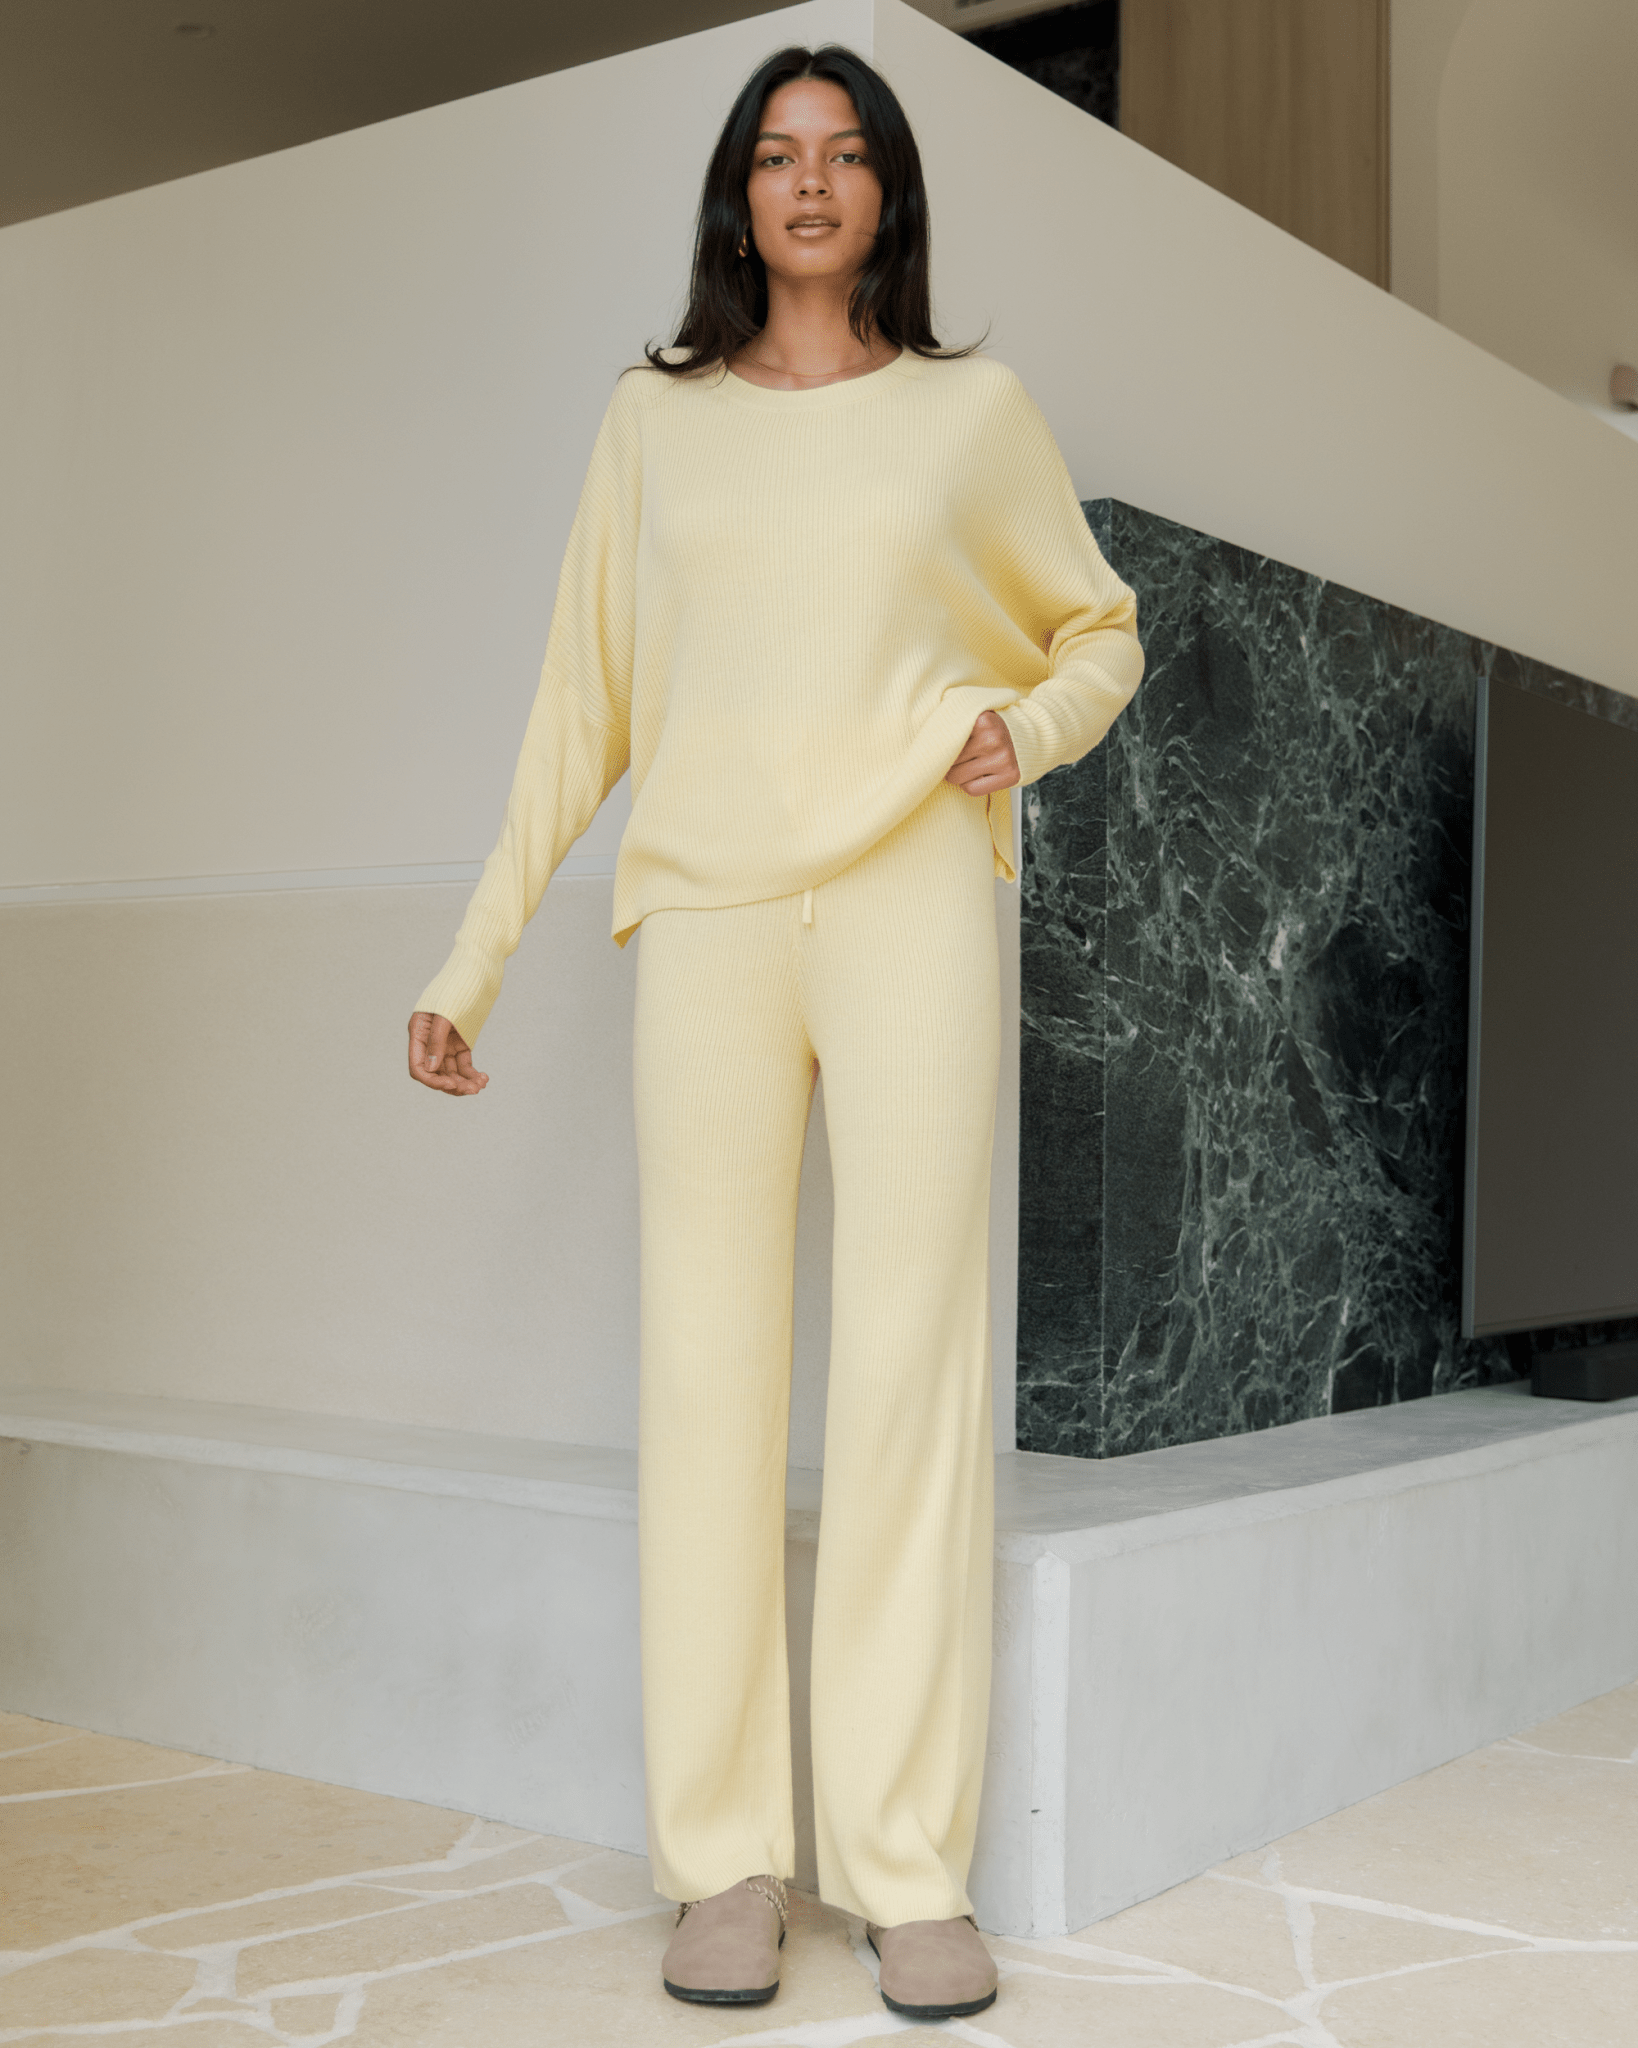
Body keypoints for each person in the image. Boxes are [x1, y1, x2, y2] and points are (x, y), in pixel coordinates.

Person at [406, 40, 1142, 2024]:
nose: (809, 182)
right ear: (738, 196)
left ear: (888, 192)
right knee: (708, 1375)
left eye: (844, 153)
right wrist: (472, 960)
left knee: (907, 1371)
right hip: (713, 918)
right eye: (775, 154)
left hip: (914, 896)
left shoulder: (972, 413)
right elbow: (582, 706)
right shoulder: (652, 424)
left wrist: (1027, 730)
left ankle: (905, 1866)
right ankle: (722, 1862)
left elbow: (1102, 629)